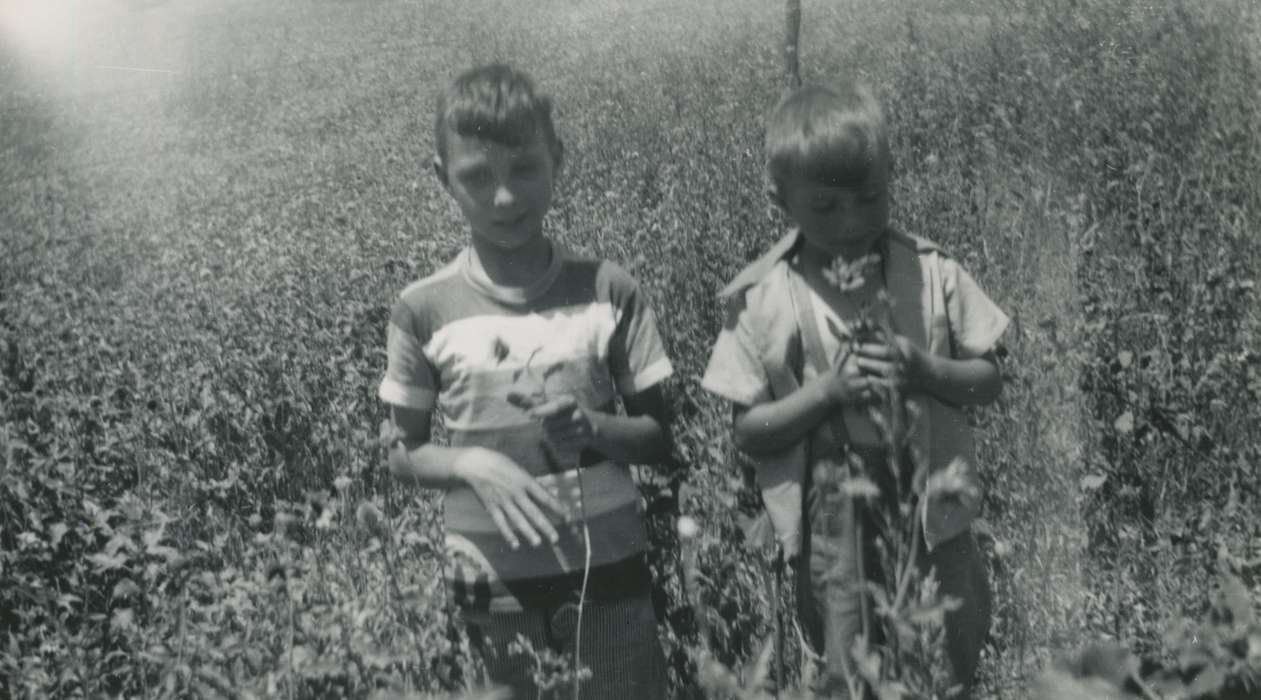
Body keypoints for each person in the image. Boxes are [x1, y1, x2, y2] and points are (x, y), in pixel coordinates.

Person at [701, 80, 1008, 697]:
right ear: (779, 200)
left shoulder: (930, 273)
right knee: (849, 662)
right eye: (825, 208)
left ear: (892, 177)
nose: (851, 223)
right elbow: (748, 432)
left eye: (870, 199)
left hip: (930, 505)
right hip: (835, 513)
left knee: (944, 646)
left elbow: (990, 382)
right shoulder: (767, 300)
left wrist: (926, 371)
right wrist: (827, 393)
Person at [378, 63, 674, 699]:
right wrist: (474, 465)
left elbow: (659, 437)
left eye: (524, 170)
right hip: (492, 594)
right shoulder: (423, 309)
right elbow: (403, 452)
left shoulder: (607, 291)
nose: (505, 197)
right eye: (478, 178)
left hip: (609, 582)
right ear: (442, 180)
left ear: (558, 160)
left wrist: (593, 427)